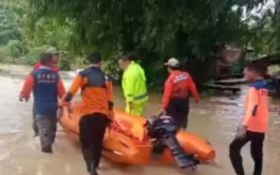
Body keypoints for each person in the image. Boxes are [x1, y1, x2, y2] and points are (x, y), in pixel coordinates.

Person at [62, 52, 113, 175]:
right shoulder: (107, 78)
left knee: (86, 143)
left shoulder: (83, 75)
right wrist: (111, 118)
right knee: (98, 142)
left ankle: (90, 168)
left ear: (88, 61)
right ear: (101, 62)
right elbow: (110, 101)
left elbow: (71, 92)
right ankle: (95, 165)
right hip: (102, 116)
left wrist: (64, 103)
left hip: (87, 115)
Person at [19, 53, 65, 153]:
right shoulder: (56, 76)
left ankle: (46, 160)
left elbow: (27, 88)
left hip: (40, 109)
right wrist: (66, 105)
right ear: (51, 62)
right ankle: (52, 159)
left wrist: (23, 95)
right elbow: (62, 93)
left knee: (44, 138)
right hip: (53, 109)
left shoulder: (34, 74)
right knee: (52, 134)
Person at [229, 62, 270, 175]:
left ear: (254, 73)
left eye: (246, 73)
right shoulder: (264, 86)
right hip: (261, 126)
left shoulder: (253, 88)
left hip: (252, 125)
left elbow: (253, 107)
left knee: (233, 149)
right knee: (256, 153)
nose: (244, 76)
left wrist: (244, 125)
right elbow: (262, 106)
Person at [158, 58, 200, 129]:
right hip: (184, 103)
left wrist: (163, 108)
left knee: (172, 122)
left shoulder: (170, 80)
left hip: (174, 104)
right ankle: (183, 134)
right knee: (183, 121)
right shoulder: (186, 75)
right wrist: (197, 98)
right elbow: (193, 87)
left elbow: (167, 96)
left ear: (169, 68)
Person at [32, 47, 60, 136]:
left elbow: (58, 84)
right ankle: (37, 132)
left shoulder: (56, 69)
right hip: (40, 98)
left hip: (52, 98)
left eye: (57, 56)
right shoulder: (38, 67)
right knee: (38, 118)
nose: (57, 58)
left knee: (51, 122)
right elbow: (32, 80)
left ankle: (47, 135)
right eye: (55, 56)